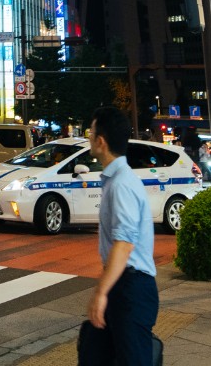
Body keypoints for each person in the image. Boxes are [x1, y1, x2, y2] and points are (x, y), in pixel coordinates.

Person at [78, 107, 157, 365]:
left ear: (101, 141)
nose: (88, 138)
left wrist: (101, 292)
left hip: (131, 289)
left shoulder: (122, 184)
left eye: (90, 133)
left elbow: (124, 244)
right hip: (123, 286)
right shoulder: (116, 180)